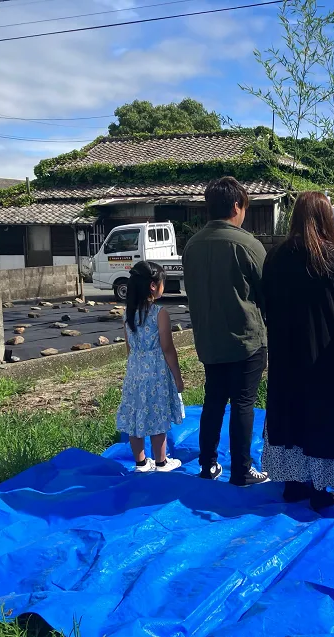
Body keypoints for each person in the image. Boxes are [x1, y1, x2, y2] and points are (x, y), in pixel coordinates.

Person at [261, 191, 334, 511]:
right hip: (326, 353)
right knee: (324, 417)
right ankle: (320, 488)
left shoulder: (275, 256)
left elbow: (266, 303)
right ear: (326, 218)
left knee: (291, 414)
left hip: (286, 350)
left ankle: (293, 483)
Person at [182, 176, 269, 487]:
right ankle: (242, 470)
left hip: (209, 339)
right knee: (243, 403)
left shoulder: (192, 245)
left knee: (214, 401)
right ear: (236, 206)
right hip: (245, 339)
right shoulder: (247, 244)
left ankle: (208, 464)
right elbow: (266, 291)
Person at [116, 261, 185, 473]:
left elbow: (129, 348)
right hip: (156, 372)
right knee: (157, 416)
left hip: (135, 370)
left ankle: (140, 463)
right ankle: (162, 462)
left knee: (136, 415)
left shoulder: (128, 313)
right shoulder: (159, 313)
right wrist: (178, 377)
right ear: (153, 286)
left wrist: (134, 367)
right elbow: (168, 348)